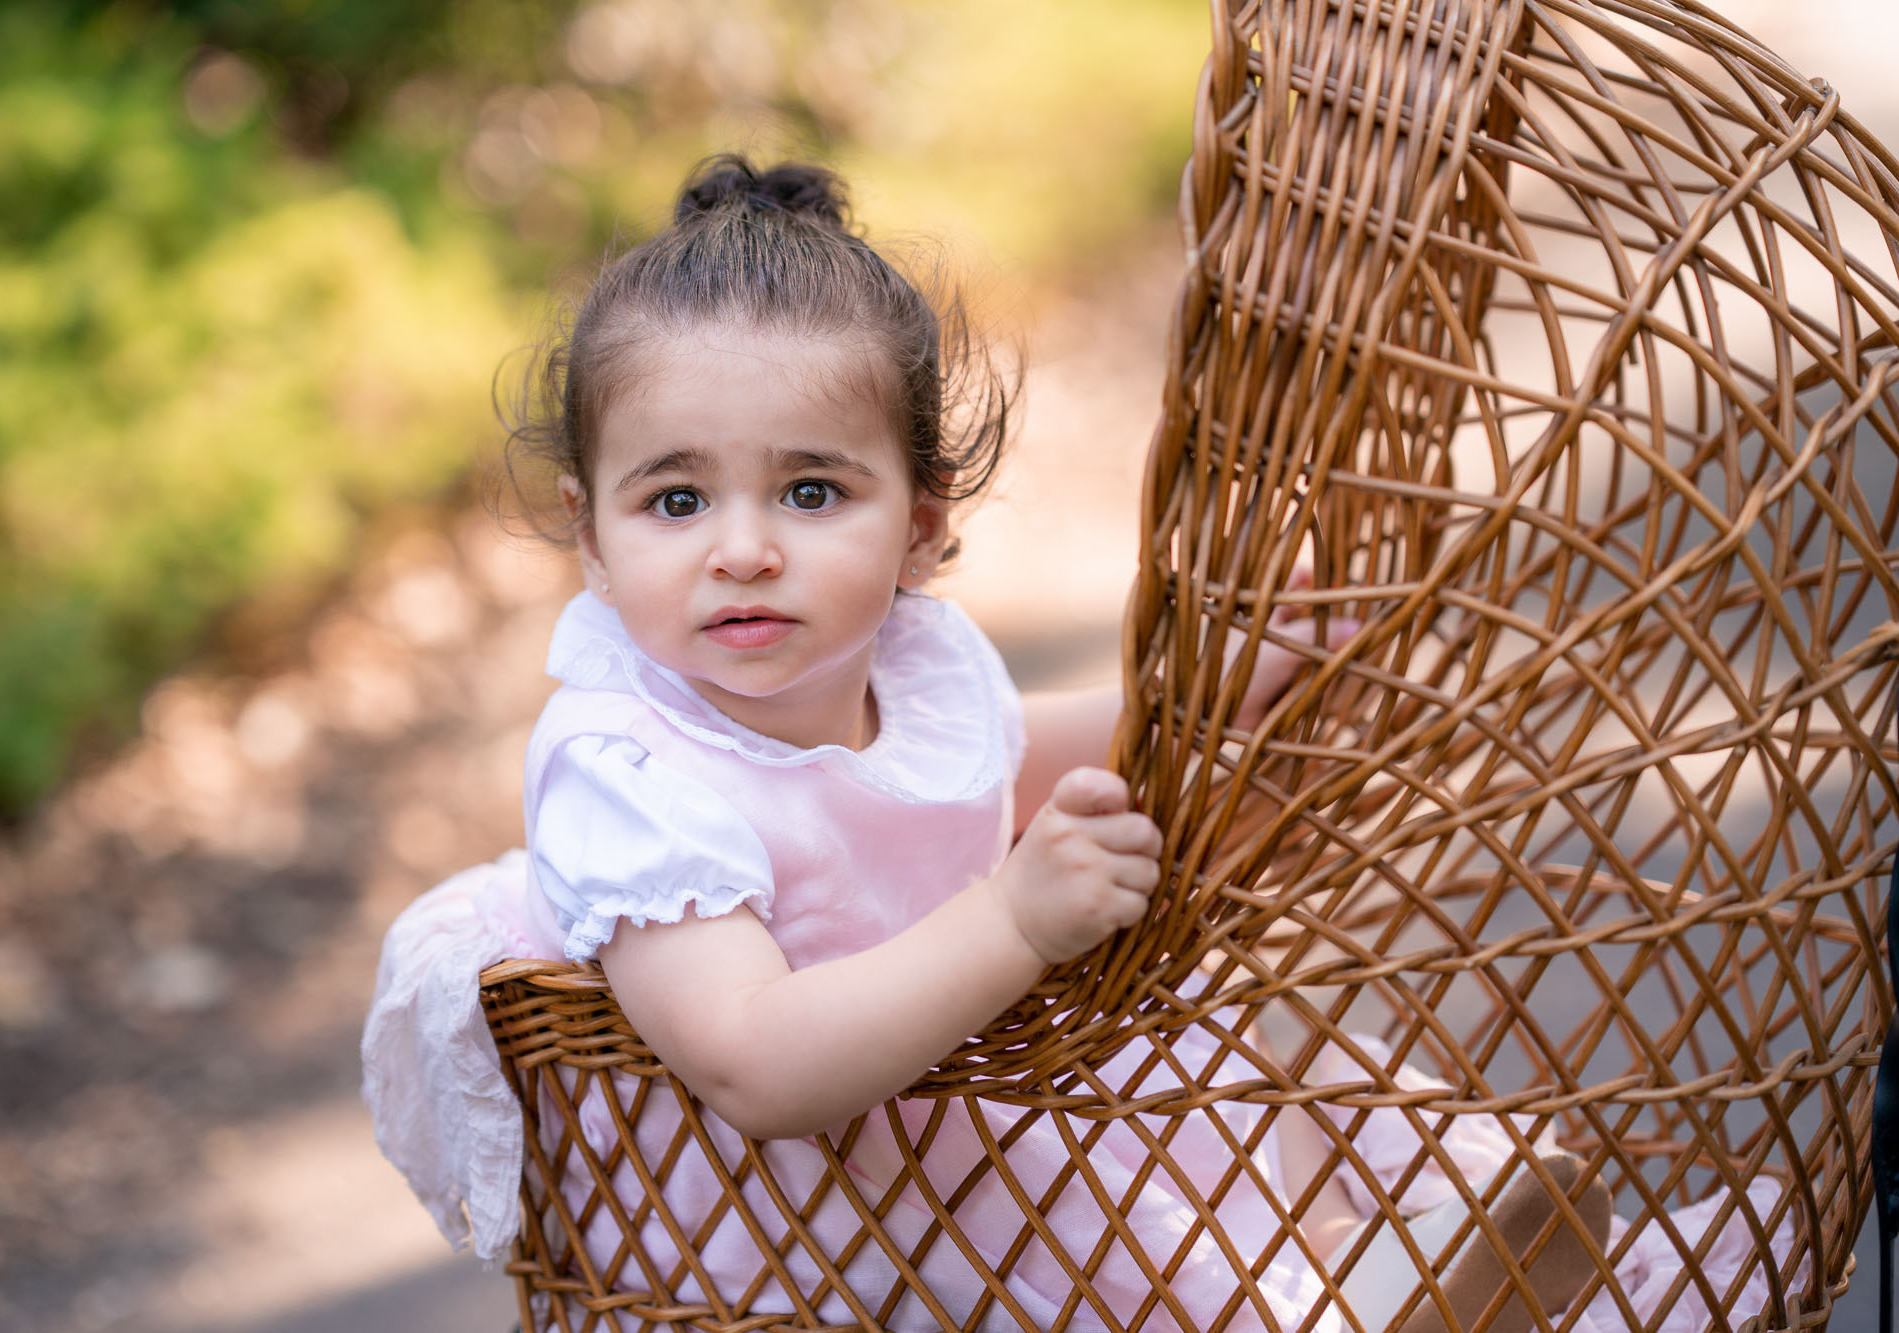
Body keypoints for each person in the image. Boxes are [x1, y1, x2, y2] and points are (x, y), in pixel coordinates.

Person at [365, 155, 1808, 1333]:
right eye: (676, 501)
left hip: (945, 1112)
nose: (743, 550)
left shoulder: (907, 663)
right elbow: (756, 1065)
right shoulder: (625, 772)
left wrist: (1225, 687)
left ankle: (1413, 1241)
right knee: (1121, 1219)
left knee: (1220, 1036)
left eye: (811, 493)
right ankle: (1317, 1298)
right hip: (802, 1213)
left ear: (920, 527)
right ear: (593, 535)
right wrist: (1011, 919)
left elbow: (1003, 759)